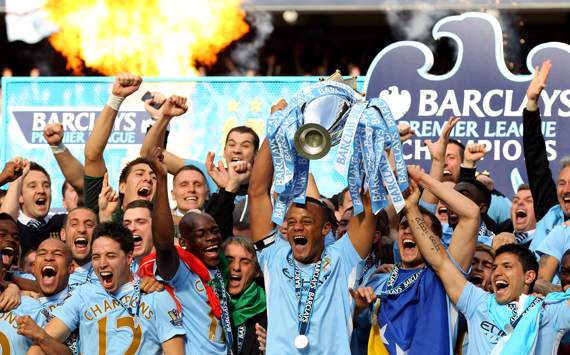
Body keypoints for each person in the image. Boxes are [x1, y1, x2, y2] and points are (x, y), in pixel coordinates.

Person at [406, 172, 570, 354]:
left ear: (529, 276)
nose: (497, 272)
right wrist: (412, 207)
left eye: (507, 266)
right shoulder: (477, 302)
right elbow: (440, 261)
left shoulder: (550, 312)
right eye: (495, 266)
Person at [248, 136, 377, 354]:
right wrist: (274, 132)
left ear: (325, 229)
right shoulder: (273, 255)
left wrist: (364, 137)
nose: (297, 227)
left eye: (307, 222)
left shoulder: (343, 257)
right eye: (291, 222)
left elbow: (365, 200)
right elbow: (257, 192)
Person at [357, 165, 479, 354]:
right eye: (404, 225)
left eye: (415, 227)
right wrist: (359, 308)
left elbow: (471, 214)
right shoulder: (377, 280)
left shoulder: (447, 277)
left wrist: (421, 178)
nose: (408, 229)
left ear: (437, 241)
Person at [28, 222, 186, 354]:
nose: (102, 264)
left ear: (129, 258)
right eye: (96, 257)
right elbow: (44, 341)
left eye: (111, 256)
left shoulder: (156, 295)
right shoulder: (84, 294)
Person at [150, 147, 230, 354]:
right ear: (184, 244)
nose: (211, 237)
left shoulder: (223, 269)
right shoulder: (181, 273)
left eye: (214, 231)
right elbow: (164, 245)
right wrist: (160, 180)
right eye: (201, 234)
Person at [522, 60, 570, 252]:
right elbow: (536, 160)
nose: (566, 190)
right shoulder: (550, 211)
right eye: (562, 183)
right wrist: (532, 103)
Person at [1, 158, 66, 255]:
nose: (41, 190)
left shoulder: (62, 222)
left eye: (46, 185)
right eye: (33, 186)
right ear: (20, 196)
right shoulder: (13, 228)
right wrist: (17, 179)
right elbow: (6, 219)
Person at [223, 236, 267, 355]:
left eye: (245, 262)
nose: (236, 267)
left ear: (257, 271)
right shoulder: (207, 302)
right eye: (229, 260)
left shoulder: (272, 309)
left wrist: (273, 348)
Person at [61, 207, 98, 287]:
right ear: (63, 234)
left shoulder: (109, 274)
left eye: (89, 225)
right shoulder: (50, 276)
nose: (82, 229)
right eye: (74, 224)